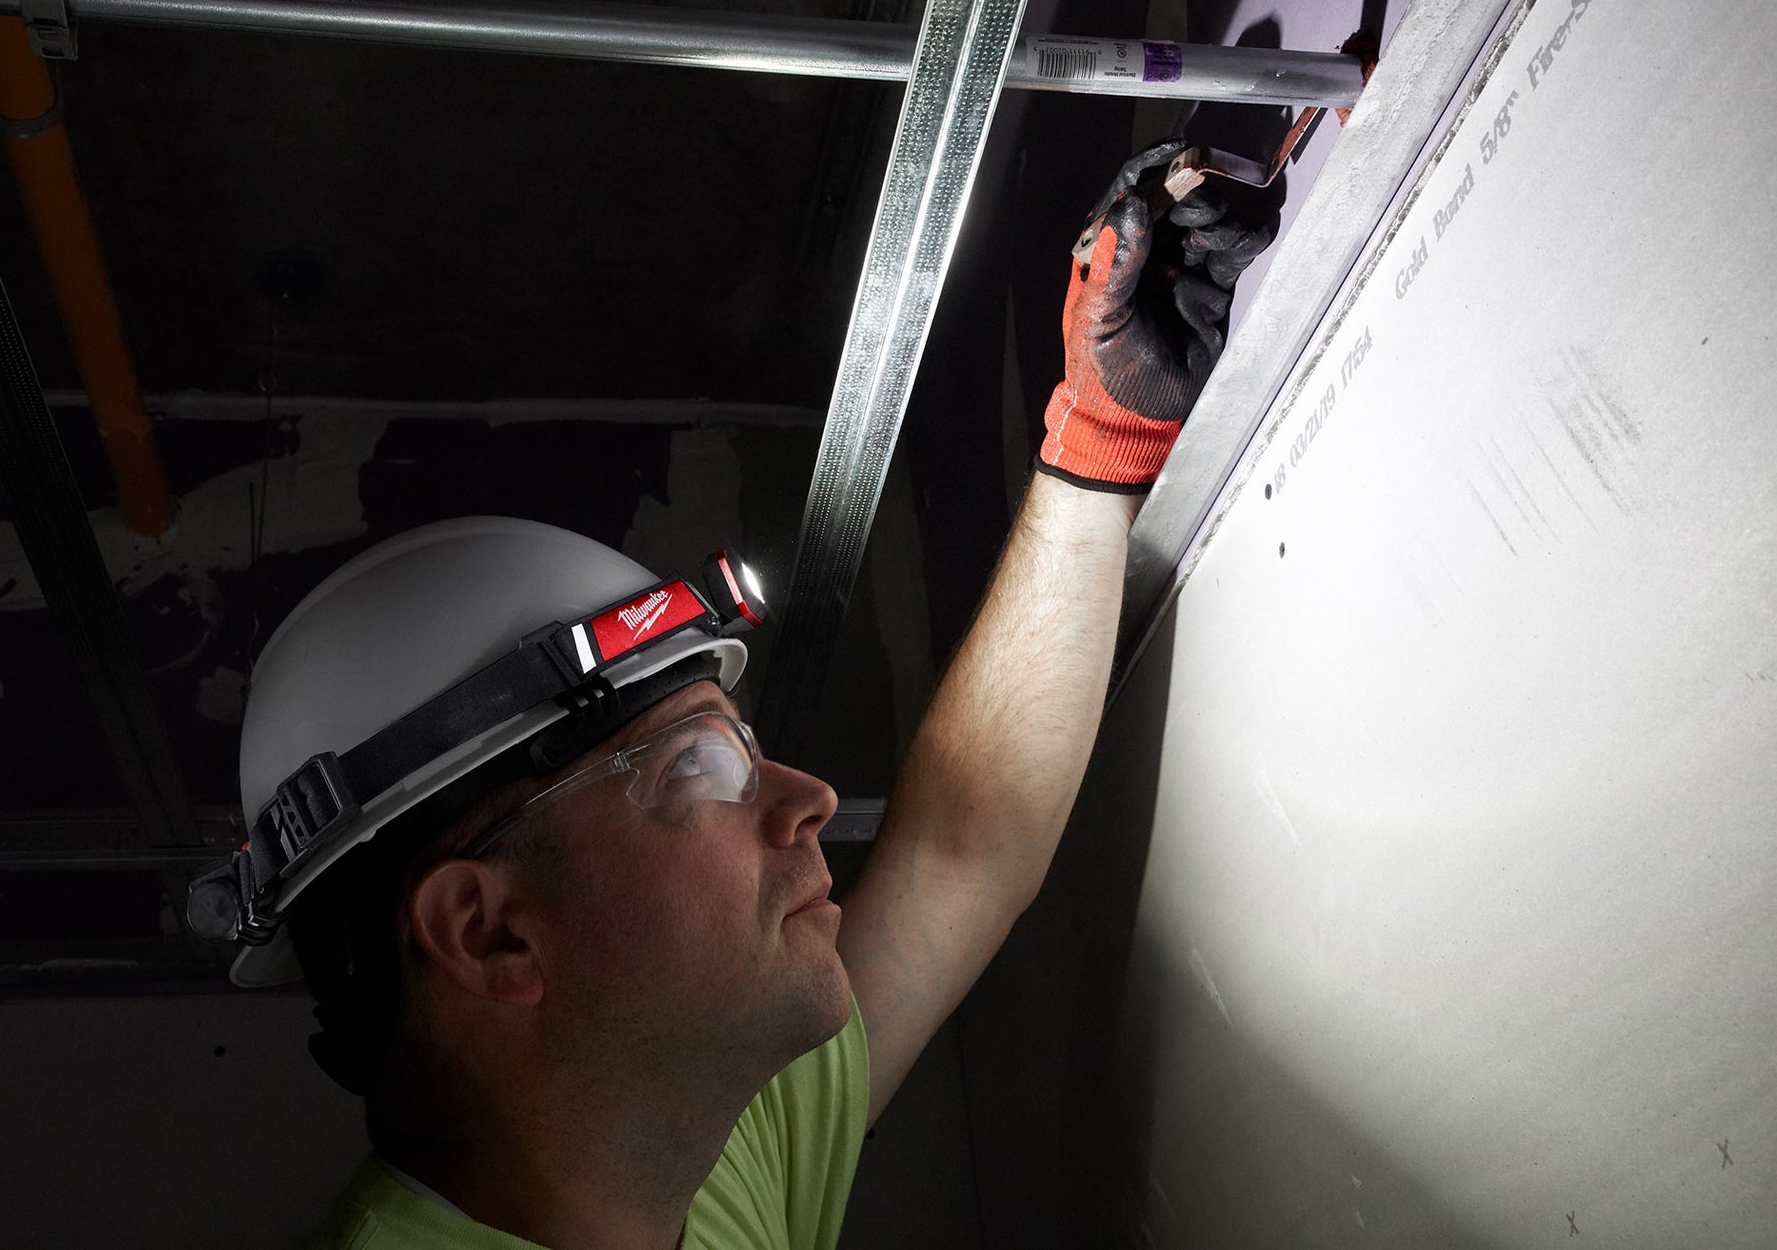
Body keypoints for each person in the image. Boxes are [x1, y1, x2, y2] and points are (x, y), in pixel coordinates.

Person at [191, 139, 1270, 1249]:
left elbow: (963, 849)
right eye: (697, 767)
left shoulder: (689, 1144)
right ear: (491, 932)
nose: (810, 799)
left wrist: (1105, 436)